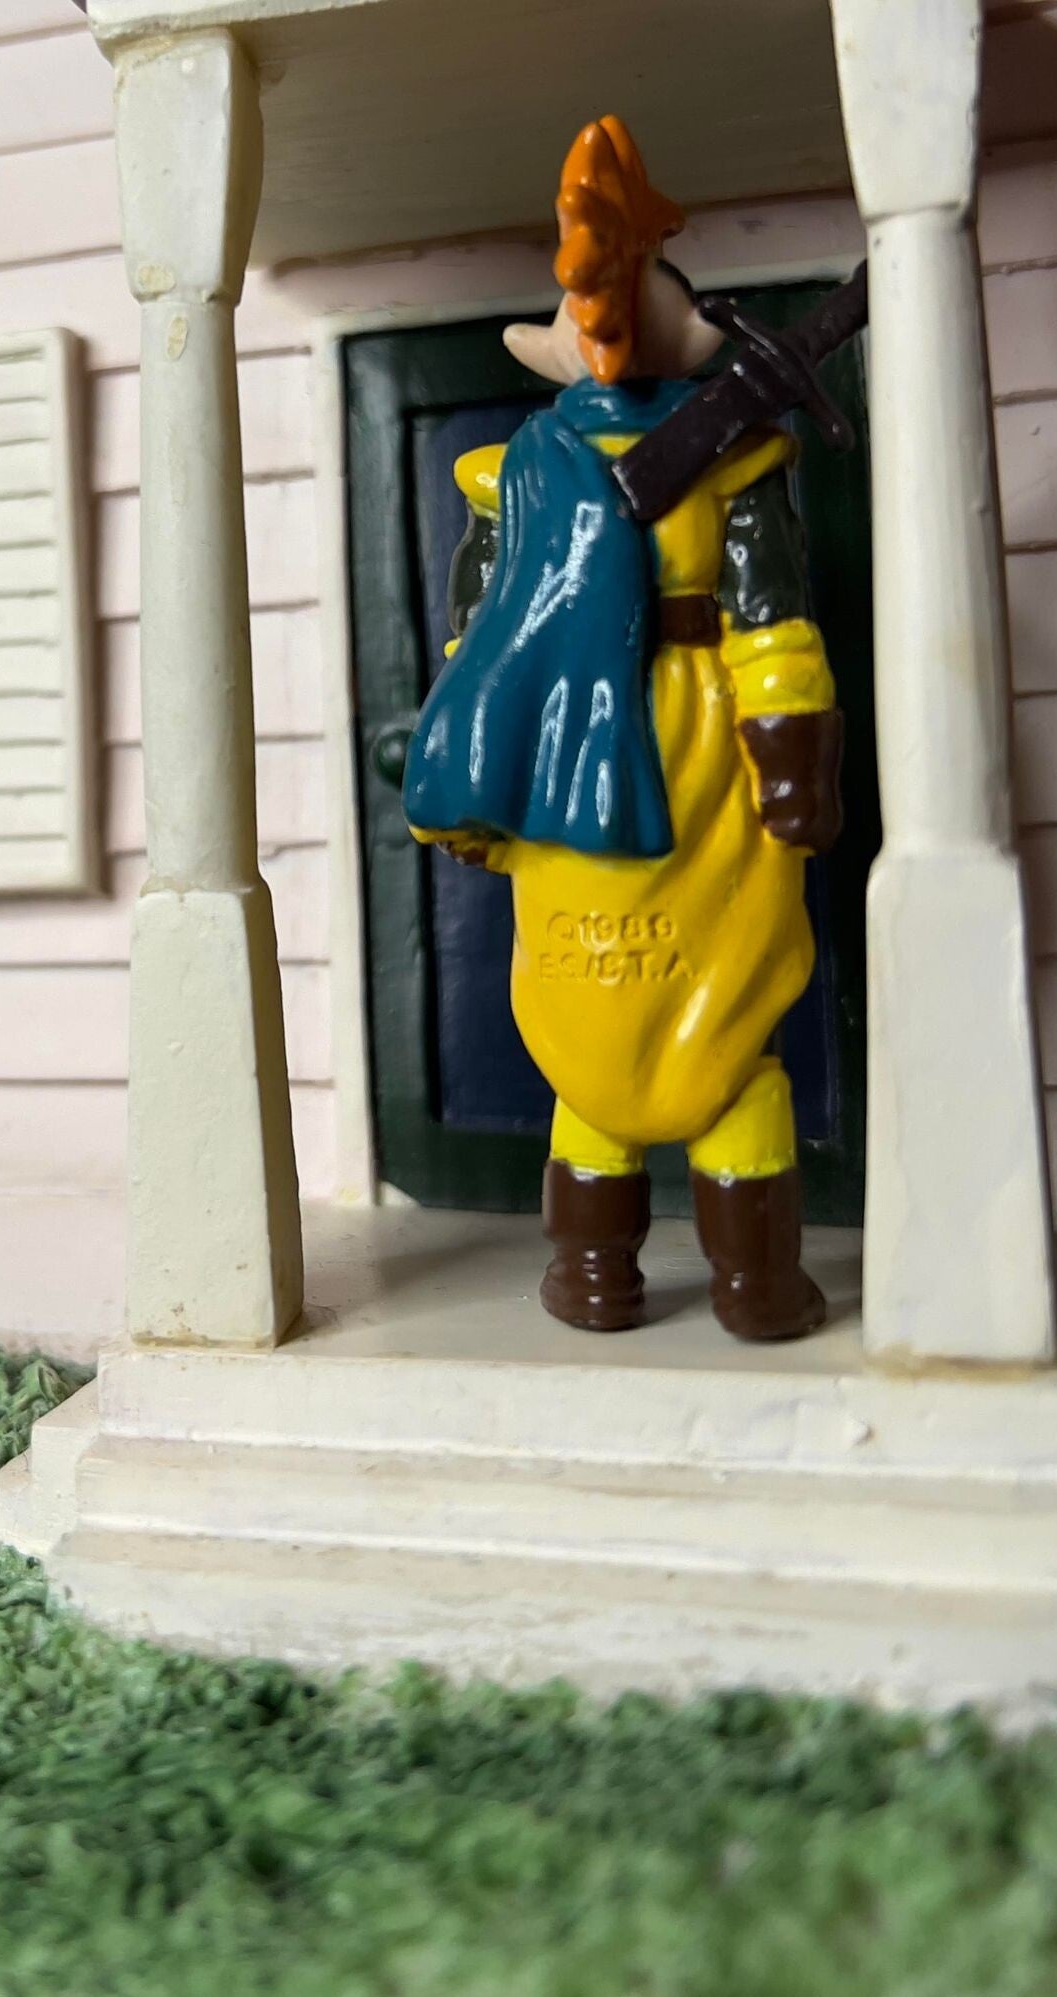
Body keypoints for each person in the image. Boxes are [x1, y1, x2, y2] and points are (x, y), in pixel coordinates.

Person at [402, 115, 843, 1342]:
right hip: (573, 766)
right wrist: (473, 778)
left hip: (694, 769)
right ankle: (607, 1265)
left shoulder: (730, 465)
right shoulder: (513, 478)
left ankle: (740, 1275)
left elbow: (766, 618)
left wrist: (788, 755)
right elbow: (481, 645)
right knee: (592, 1029)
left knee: (722, 1018)